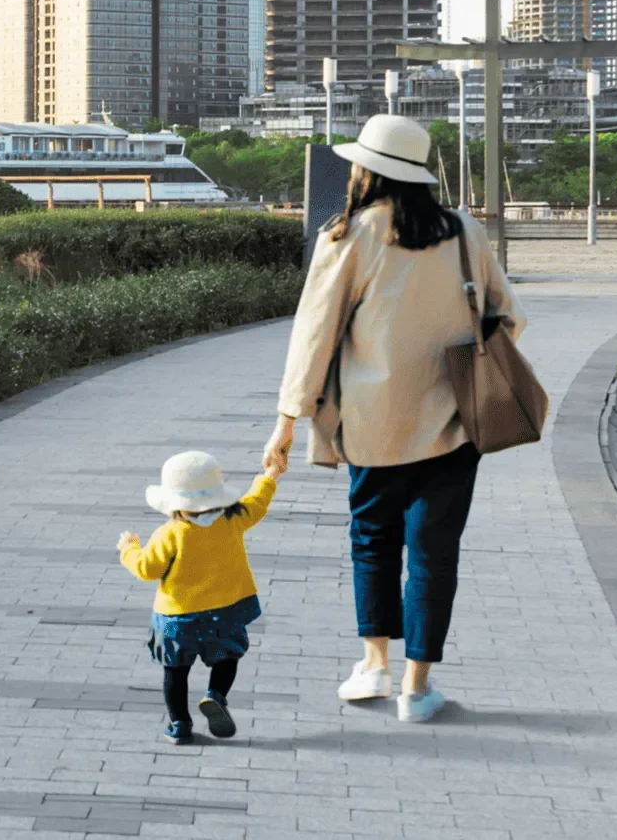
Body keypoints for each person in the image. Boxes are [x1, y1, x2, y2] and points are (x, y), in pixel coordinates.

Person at [263, 114, 524, 723]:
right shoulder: (464, 232)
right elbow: (508, 316)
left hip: (372, 425)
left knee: (373, 544)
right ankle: (418, 687)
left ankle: (374, 667)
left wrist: (287, 421)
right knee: (434, 552)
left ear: (367, 171)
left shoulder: (349, 235)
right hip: (457, 423)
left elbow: (314, 335)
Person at [118, 450, 279, 744]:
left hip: (179, 620)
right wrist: (270, 474)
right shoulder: (233, 519)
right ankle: (215, 695)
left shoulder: (170, 533)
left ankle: (179, 725)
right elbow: (257, 502)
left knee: (176, 672)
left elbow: (147, 568)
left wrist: (129, 548)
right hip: (224, 615)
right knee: (225, 657)